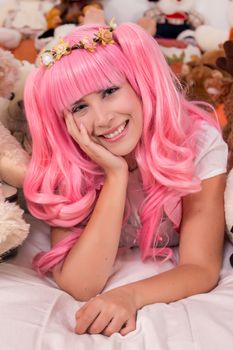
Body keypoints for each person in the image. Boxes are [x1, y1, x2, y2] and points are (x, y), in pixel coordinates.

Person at [23, 21, 228, 337]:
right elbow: (81, 284)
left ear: (139, 84)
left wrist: (128, 295)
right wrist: (115, 175)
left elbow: (200, 268)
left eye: (109, 91)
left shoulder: (196, 144)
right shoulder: (69, 164)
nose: (103, 119)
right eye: (80, 107)